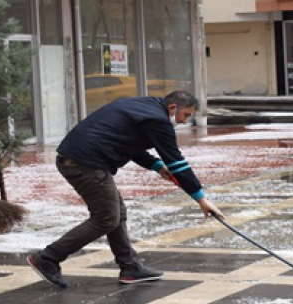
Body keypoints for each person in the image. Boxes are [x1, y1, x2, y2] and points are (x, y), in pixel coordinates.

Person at [28, 91, 224, 288]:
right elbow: (177, 162)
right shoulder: (158, 120)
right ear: (173, 108)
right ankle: (48, 257)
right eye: (186, 115)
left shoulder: (145, 108)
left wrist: (157, 166)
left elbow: (130, 144)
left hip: (80, 160)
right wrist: (201, 199)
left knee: (116, 213)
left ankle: (130, 267)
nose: (184, 121)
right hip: (85, 164)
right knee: (106, 218)